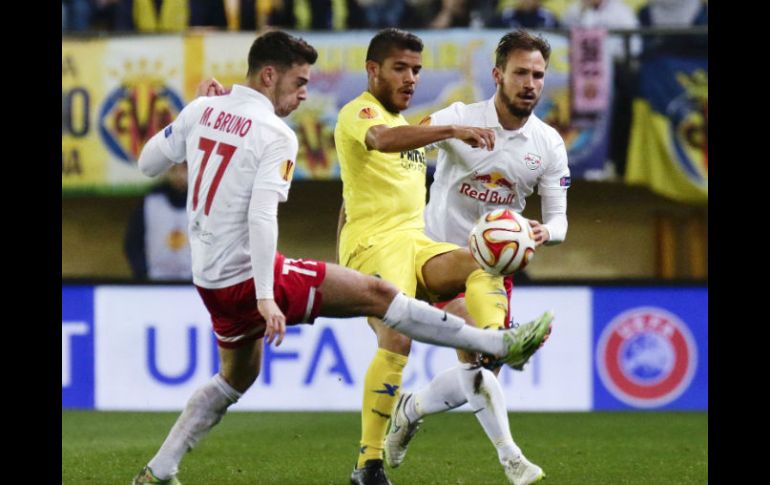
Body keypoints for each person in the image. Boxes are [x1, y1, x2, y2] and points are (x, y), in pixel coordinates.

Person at [130, 30, 550, 485]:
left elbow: (148, 164)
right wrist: (268, 296)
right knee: (379, 298)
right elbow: (262, 216)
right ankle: (492, 350)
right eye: (299, 82)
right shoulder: (280, 133)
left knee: (234, 380)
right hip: (256, 275)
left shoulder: (203, 110)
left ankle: (159, 471)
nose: (305, 93)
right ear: (269, 75)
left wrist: (192, 114)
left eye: (416, 70)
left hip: (210, 279)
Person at [334, 28, 554, 485]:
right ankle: (368, 464)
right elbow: (378, 139)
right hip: (376, 247)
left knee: (482, 258)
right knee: (398, 339)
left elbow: (351, 195)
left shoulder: (409, 126)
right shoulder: (361, 112)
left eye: (416, 69)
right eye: (400, 68)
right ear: (372, 70)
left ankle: (498, 337)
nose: (411, 77)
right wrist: (453, 128)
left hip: (416, 242)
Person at [124, 162, 192, 281]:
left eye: (184, 169)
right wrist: (143, 274)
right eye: (174, 169)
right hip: (154, 282)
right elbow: (133, 243)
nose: (179, 175)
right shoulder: (150, 202)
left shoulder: (204, 205)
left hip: (193, 285)